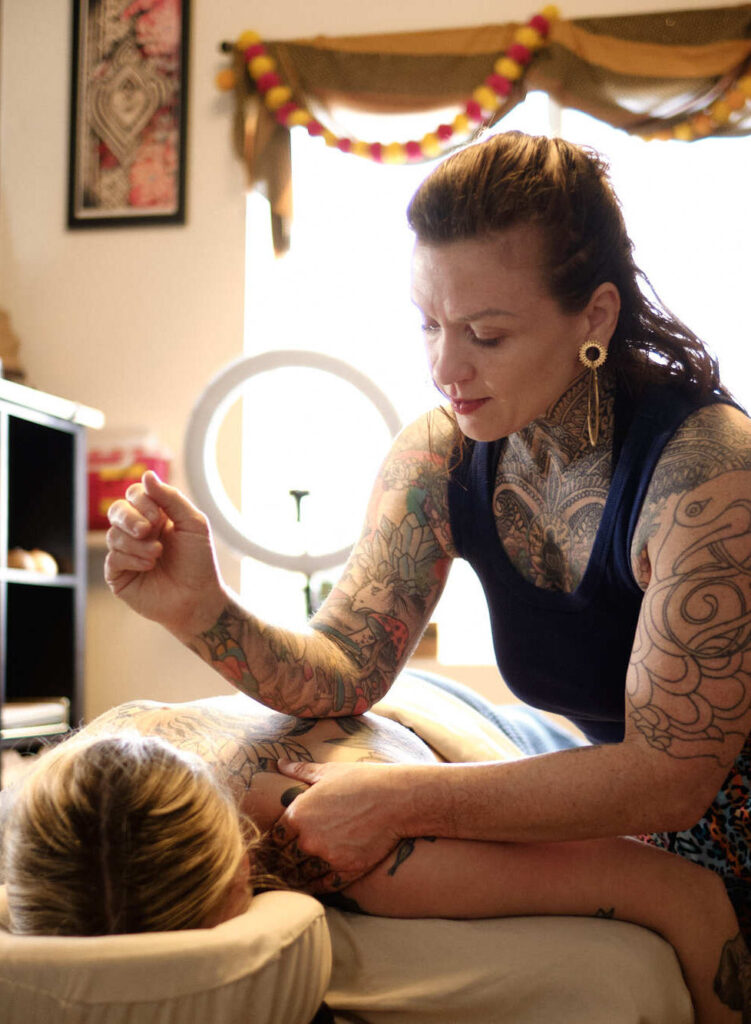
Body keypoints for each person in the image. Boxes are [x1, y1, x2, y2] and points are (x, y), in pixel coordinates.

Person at [103, 132, 751, 1011]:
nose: (446, 367)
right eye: (428, 324)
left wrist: (405, 799)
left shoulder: (706, 473)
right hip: (639, 816)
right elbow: (344, 667)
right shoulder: (443, 455)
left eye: (485, 332)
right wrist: (199, 610)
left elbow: (671, 776)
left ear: (594, 317)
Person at [0, 687, 745, 1022]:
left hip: (501, 736)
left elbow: (677, 891)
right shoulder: (27, 812)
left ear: (246, 866)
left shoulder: (364, 847)